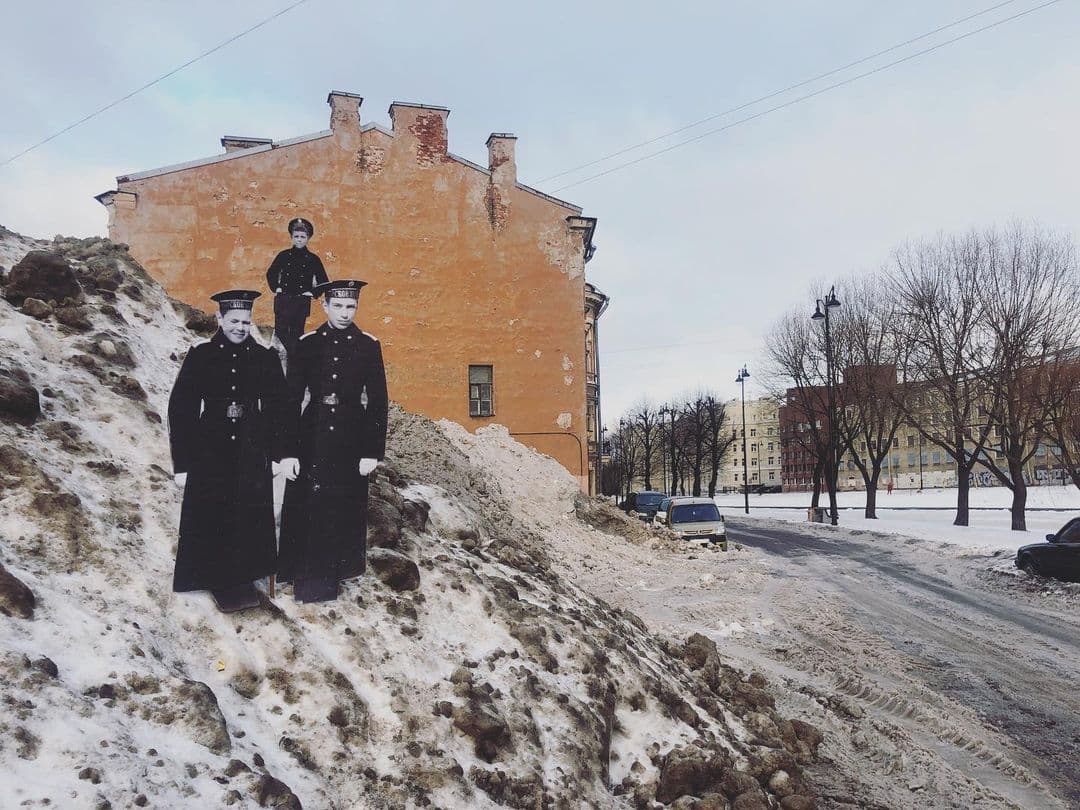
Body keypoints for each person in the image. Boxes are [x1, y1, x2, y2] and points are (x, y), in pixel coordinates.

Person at [168, 290, 297, 612]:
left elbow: (280, 408)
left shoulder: (264, 357)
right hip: (210, 446)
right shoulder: (202, 355)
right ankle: (217, 578)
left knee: (247, 511)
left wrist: (279, 454)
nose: (240, 327)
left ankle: (245, 576)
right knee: (214, 510)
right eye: (234, 321)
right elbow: (181, 408)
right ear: (220, 318)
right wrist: (183, 463)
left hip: (251, 446)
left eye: (246, 322)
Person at [277, 279, 388, 603]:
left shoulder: (368, 345)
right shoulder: (307, 343)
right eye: (337, 305)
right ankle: (303, 573)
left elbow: (378, 401)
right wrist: (287, 451)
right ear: (324, 306)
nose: (344, 313)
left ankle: (335, 573)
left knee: (341, 505)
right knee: (307, 503)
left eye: (350, 306)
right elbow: (290, 400)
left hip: (350, 437)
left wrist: (371, 451)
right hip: (311, 433)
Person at [265, 217, 329, 358]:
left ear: (308, 238)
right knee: (281, 332)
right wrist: (276, 288)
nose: (299, 240)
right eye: (296, 236)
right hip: (283, 301)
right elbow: (271, 273)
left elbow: (324, 281)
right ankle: (296, 357)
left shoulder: (313, 259)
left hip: (301, 303)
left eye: (302, 237)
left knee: (297, 334)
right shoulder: (283, 256)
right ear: (292, 237)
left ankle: (295, 362)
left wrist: (312, 293)